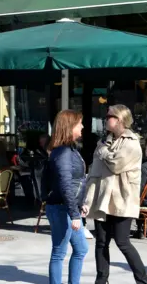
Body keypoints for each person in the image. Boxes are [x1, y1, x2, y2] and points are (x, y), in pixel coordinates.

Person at [83, 104, 147, 284]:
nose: (105, 119)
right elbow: (94, 173)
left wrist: (103, 152)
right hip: (103, 198)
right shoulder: (104, 140)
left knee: (123, 242)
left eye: (108, 117)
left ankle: (143, 281)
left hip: (122, 198)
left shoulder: (132, 142)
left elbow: (116, 164)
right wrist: (87, 200)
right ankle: (101, 280)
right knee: (101, 242)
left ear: (119, 119)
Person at [45, 110, 88, 284]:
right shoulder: (63, 153)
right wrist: (74, 213)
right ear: (70, 127)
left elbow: (75, 181)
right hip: (61, 208)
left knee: (81, 249)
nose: (83, 126)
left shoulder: (70, 150)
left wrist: (80, 203)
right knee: (59, 252)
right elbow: (65, 183)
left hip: (68, 207)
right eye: (80, 124)